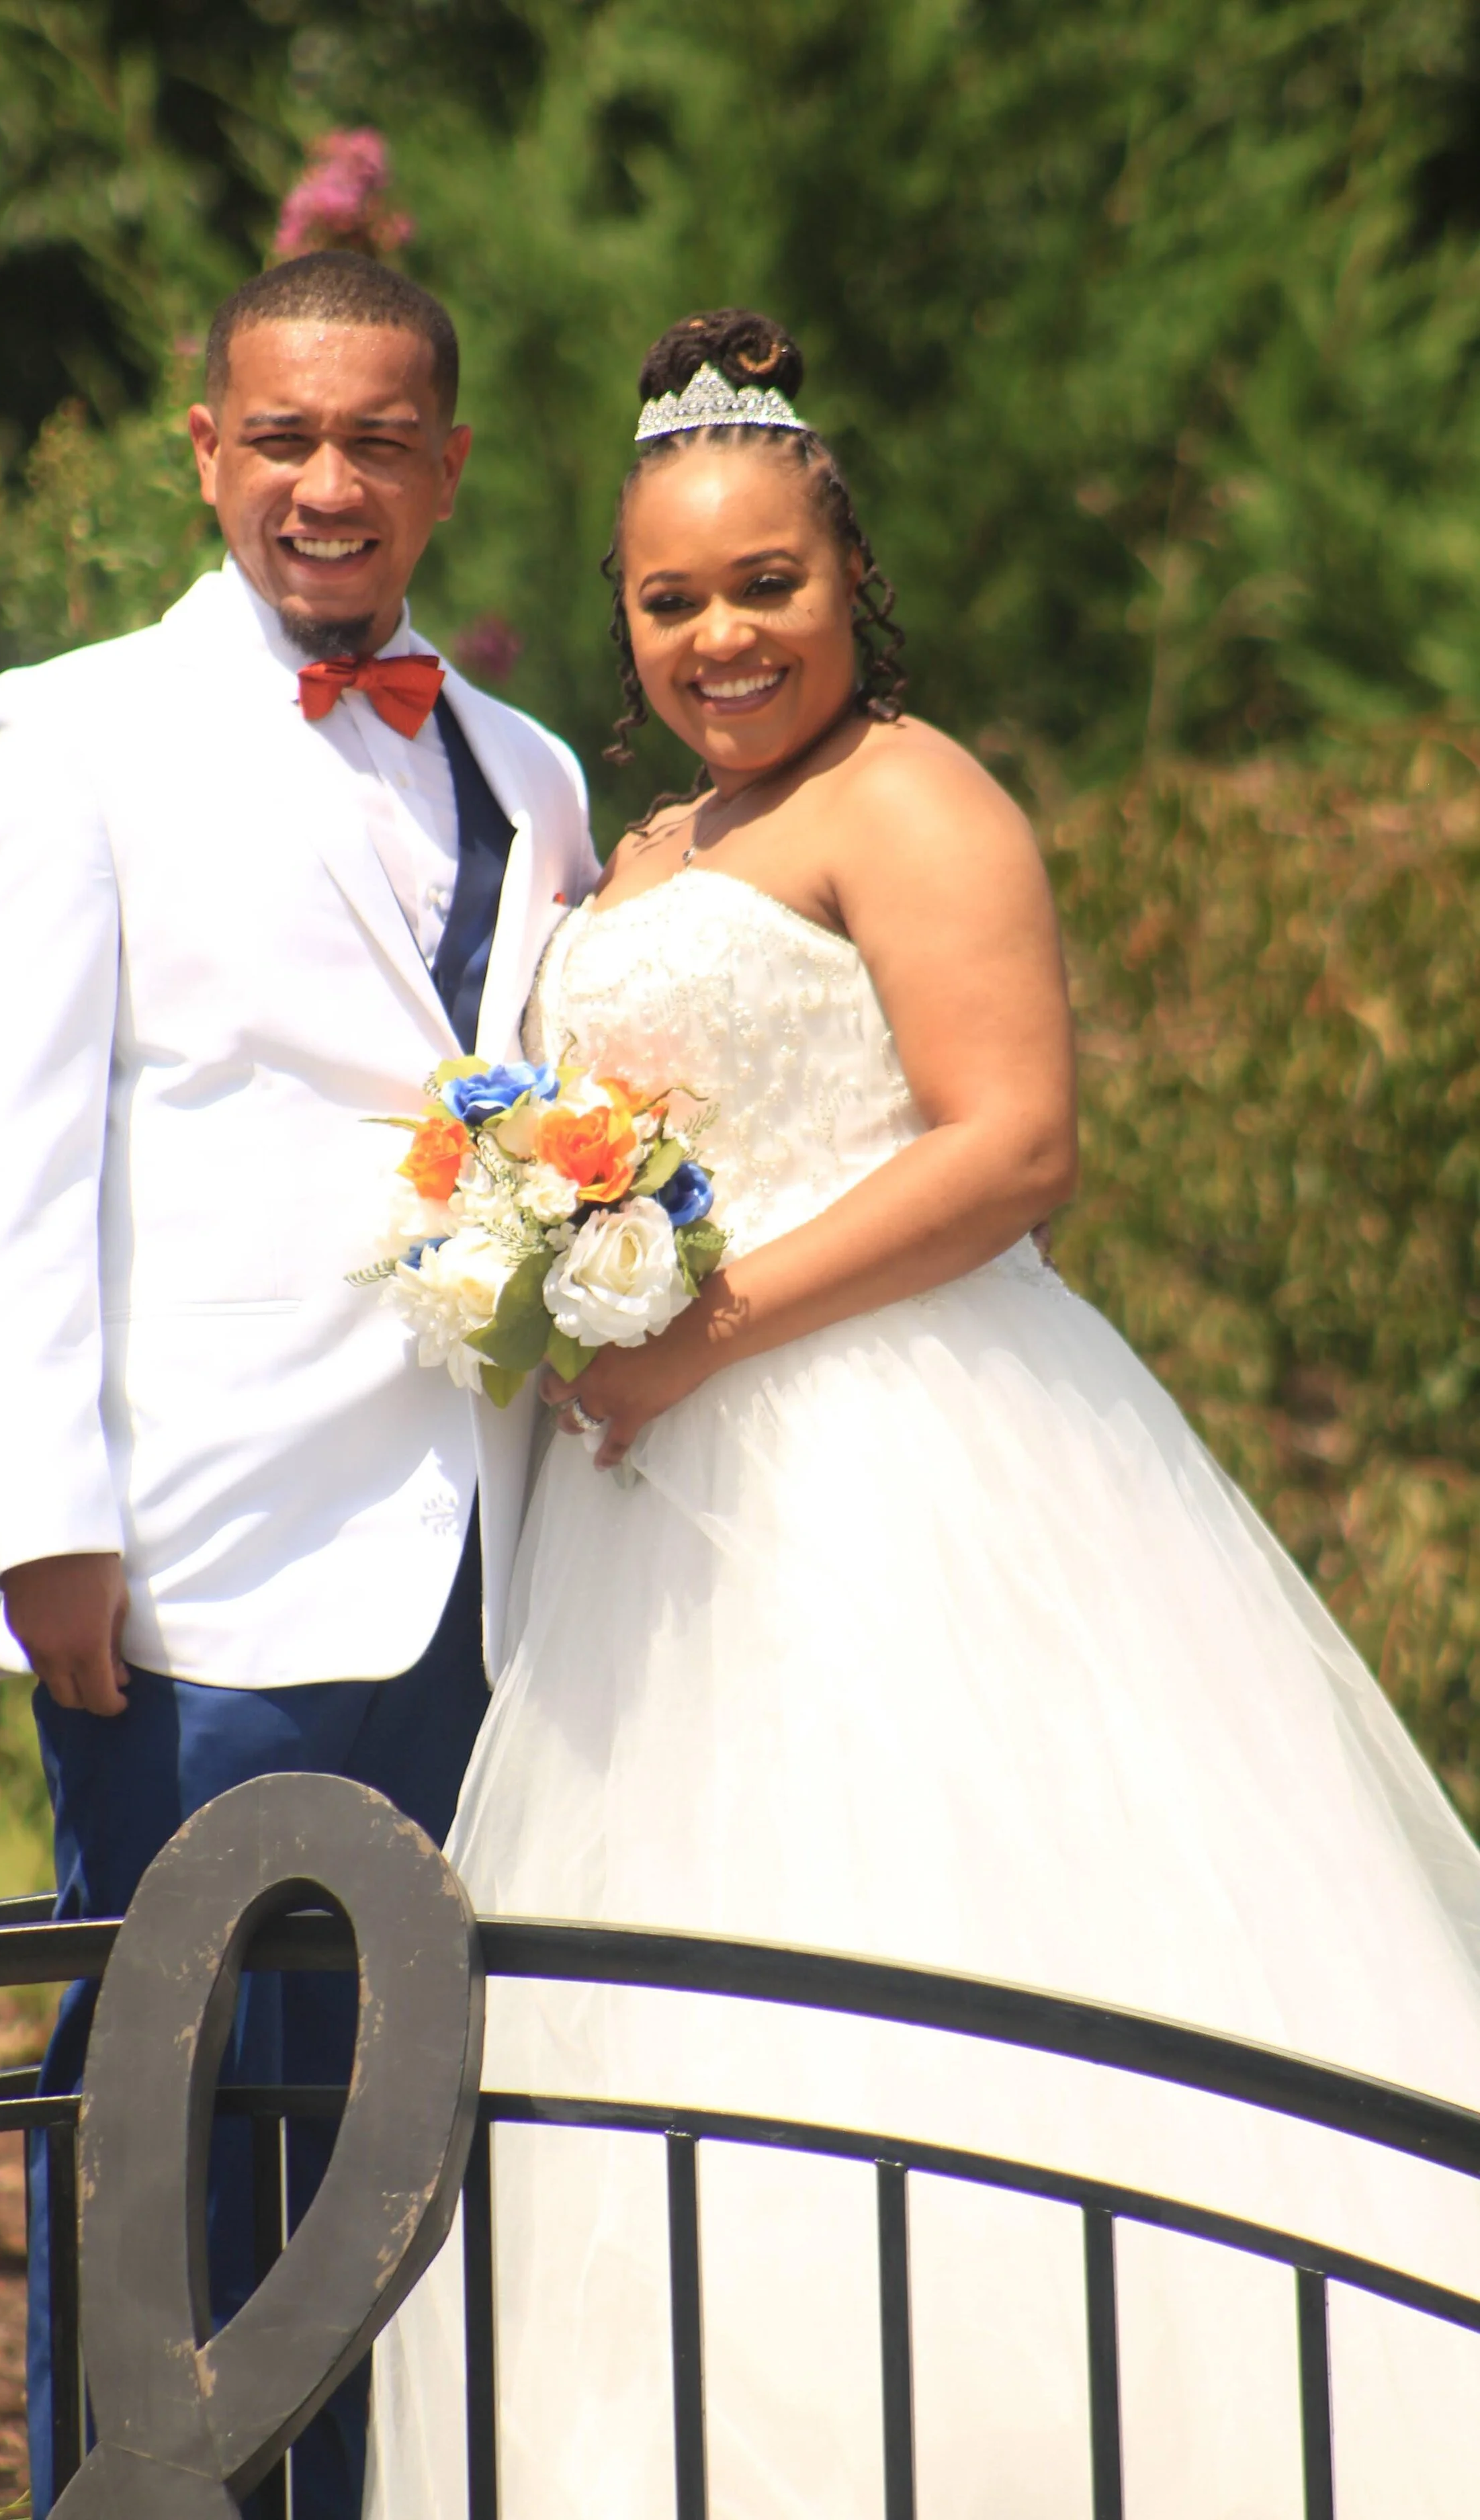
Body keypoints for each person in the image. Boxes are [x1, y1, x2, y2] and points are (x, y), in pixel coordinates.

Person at [366, 311, 1480, 2519]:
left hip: (891, 1472)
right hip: (648, 1529)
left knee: (926, 1971)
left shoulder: (913, 794)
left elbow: (1011, 1146)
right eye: (669, 597)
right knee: (669, 2019)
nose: (720, 633)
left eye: (764, 582)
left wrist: (702, 1325)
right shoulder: (647, 841)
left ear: (850, 577)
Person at [0, 250, 598, 2518]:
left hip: (483, 1572)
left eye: (377, 441)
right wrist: (45, 1524)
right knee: (168, 2120)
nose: (328, 482)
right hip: (190, 1562)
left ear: (447, 468)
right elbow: (0, 1155)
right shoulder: (71, 728)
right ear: (207, 449)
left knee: (406, 2125)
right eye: (284, 436)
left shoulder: (535, 772)